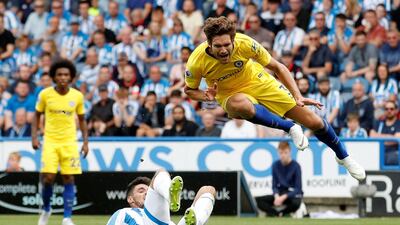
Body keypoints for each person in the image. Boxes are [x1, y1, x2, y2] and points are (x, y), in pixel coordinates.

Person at [184, 16, 365, 181]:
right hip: (230, 95)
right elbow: (189, 90)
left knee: (314, 122)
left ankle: (344, 157)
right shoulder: (196, 62)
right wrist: (205, 96)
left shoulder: (245, 43)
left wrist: (298, 95)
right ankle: (289, 126)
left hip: (259, 81)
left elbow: (278, 67)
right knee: (242, 106)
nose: (223, 50)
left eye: (227, 45)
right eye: (218, 46)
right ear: (208, 43)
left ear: (233, 40)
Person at [32, 59, 89, 225]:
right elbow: (36, 116)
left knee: (68, 177)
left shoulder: (77, 96)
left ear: (71, 77)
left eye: (66, 74)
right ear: (54, 77)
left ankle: (67, 217)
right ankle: (46, 209)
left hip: (70, 142)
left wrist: (85, 142)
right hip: (50, 141)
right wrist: (34, 137)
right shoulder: (45, 94)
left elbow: (82, 119)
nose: (63, 77)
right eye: (59, 75)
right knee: (48, 177)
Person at [106, 169, 216, 225]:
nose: (146, 193)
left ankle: (195, 221)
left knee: (208, 190)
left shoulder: (166, 220)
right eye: (141, 191)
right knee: (161, 171)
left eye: (148, 191)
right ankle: (170, 194)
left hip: (160, 221)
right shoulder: (124, 213)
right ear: (130, 199)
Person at [255, 141, 302, 217]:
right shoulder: (275, 165)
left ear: (290, 152)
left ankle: (282, 213)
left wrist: (283, 197)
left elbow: (298, 189)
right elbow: (274, 185)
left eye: (285, 152)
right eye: (281, 153)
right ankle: (276, 213)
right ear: (278, 152)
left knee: (296, 203)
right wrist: (276, 196)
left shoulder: (296, 166)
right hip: (280, 193)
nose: (283, 155)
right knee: (259, 201)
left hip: (291, 195)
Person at [370, 100, 400, 165]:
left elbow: (396, 139)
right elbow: (371, 135)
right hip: (378, 151)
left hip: (393, 152)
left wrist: (378, 136)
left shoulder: (398, 124)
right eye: (386, 109)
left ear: (396, 110)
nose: (389, 111)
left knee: (392, 158)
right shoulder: (379, 122)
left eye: (391, 109)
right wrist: (390, 137)